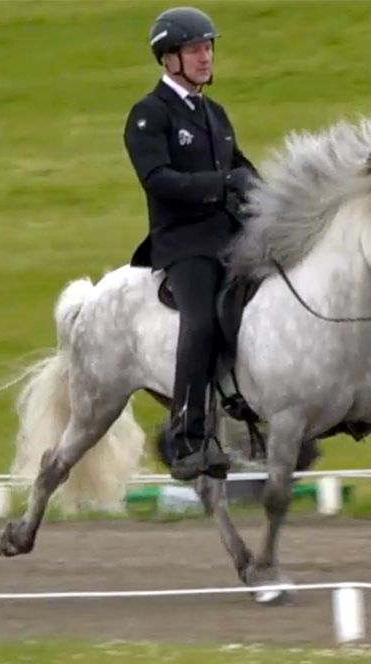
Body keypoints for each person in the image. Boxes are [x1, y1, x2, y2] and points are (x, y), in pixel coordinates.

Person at [123, 6, 258, 482]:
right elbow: (159, 180)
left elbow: (245, 171)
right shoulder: (149, 116)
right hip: (185, 243)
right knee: (200, 321)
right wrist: (223, 183)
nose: (206, 57)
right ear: (169, 60)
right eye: (195, 49)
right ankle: (186, 437)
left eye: (208, 48)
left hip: (232, 238)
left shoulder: (215, 114)